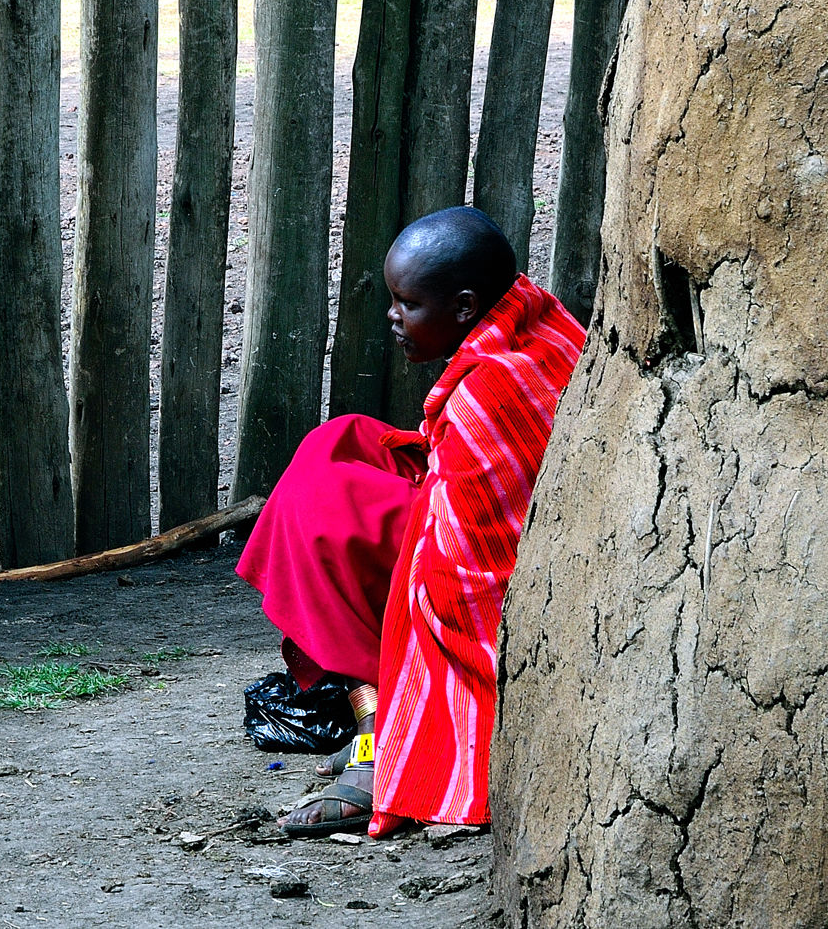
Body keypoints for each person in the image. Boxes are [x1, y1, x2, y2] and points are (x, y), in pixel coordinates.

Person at [237, 206, 584, 836]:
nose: (392, 317)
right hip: (474, 499)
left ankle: (376, 741)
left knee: (324, 519)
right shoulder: (528, 311)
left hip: (506, 559)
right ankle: (369, 711)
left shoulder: (488, 394)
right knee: (336, 443)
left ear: (463, 307)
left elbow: (464, 573)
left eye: (407, 303)